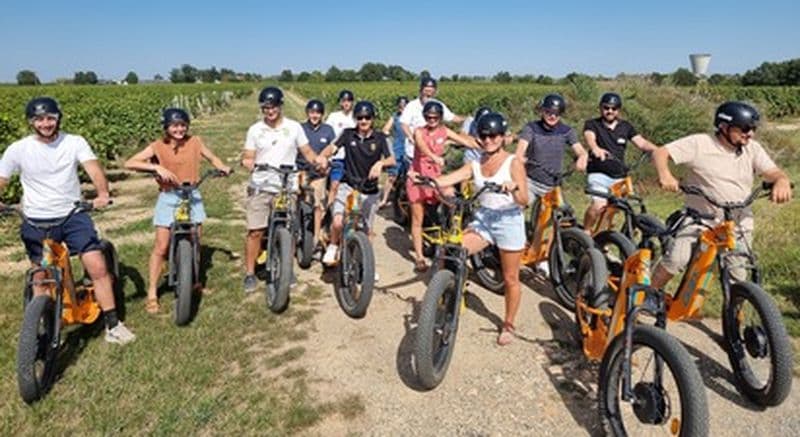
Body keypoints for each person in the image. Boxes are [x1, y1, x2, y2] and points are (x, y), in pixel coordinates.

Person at [0, 97, 135, 344]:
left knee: (96, 265)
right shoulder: (18, 149)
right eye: (39, 119)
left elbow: (94, 169)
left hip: (73, 215)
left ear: (58, 118)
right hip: (35, 219)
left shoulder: (74, 142)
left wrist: (103, 193)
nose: (45, 123)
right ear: (31, 122)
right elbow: (2, 178)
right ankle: (47, 325)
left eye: (50, 118)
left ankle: (113, 324)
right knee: (40, 276)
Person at [413, 112, 528, 345]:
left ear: (503, 137)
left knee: (510, 277)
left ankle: (508, 324)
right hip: (484, 220)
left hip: (509, 221)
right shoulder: (475, 163)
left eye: (494, 136)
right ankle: (449, 291)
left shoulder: (512, 162)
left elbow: (525, 199)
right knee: (452, 250)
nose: (488, 140)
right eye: (484, 136)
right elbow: (449, 179)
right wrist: (425, 179)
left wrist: (513, 187)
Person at [651, 101, 792, 289]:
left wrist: (781, 180)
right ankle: (647, 296)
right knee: (676, 260)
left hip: (738, 224)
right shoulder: (700, 143)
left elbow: (773, 172)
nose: (750, 133)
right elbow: (660, 152)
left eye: (752, 129)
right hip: (700, 220)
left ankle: (736, 316)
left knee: (739, 277)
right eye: (744, 129)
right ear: (724, 127)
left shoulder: (752, 148)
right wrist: (665, 175)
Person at [124, 108, 231, 314]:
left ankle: (194, 281)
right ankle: (152, 292)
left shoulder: (195, 142)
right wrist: (155, 168)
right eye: (174, 125)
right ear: (166, 127)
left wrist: (222, 166)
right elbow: (130, 162)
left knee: (195, 242)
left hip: (192, 195)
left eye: (182, 125)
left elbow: (213, 158)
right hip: (169, 197)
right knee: (161, 246)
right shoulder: (157, 146)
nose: (179, 129)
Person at [241, 87, 328, 293]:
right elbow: (248, 155)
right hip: (262, 184)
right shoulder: (255, 130)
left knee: (288, 228)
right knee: (255, 231)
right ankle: (250, 273)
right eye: (265, 108)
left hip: (286, 185)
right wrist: (248, 162)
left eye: (273, 107)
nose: (269, 111)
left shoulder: (294, 127)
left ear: (281, 106)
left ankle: (287, 270)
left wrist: (318, 161)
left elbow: (306, 151)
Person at [514, 93, 589, 275]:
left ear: (561, 113)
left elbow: (581, 151)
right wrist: (521, 159)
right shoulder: (531, 128)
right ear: (543, 111)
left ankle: (543, 256)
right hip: (531, 180)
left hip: (553, 184)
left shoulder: (566, 131)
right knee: (516, 207)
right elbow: (520, 150)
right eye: (548, 111)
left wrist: (582, 159)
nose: (552, 116)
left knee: (554, 221)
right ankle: (514, 245)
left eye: (556, 112)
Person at [319, 101, 395, 277]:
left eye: (367, 117)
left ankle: (367, 266)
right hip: (348, 185)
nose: (363, 121)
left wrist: (380, 163)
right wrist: (322, 157)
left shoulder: (380, 138)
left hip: (370, 190)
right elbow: (332, 148)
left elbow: (392, 160)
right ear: (355, 119)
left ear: (372, 119)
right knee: (338, 221)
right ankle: (333, 245)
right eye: (359, 117)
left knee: (367, 230)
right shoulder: (348, 134)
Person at [406, 101, 478, 272]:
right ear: (424, 117)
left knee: (454, 201)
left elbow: (466, 142)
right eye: (428, 117)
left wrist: (490, 144)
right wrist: (434, 156)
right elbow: (421, 146)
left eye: (435, 117)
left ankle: (451, 238)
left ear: (440, 118)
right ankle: (419, 257)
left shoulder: (445, 131)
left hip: (437, 180)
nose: (431, 119)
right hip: (418, 179)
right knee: (417, 219)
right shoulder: (419, 131)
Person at [582, 92, 658, 231]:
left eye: (614, 108)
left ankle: (601, 239)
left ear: (618, 110)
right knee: (599, 206)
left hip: (619, 177)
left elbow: (641, 143)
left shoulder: (625, 126)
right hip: (598, 174)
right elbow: (589, 138)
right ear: (600, 108)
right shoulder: (592, 124)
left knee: (612, 211)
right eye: (606, 107)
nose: (610, 111)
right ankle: (585, 232)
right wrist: (595, 148)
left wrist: (659, 152)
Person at [298, 99, 336, 246]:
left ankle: (316, 235)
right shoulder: (300, 128)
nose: (315, 115)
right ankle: (295, 231)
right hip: (300, 169)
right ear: (307, 113)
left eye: (318, 113)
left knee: (317, 203)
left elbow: (333, 150)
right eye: (312, 112)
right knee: (296, 199)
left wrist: (327, 165)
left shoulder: (328, 130)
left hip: (319, 173)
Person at [399, 76, 464, 162]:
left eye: (431, 92)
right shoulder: (412, 106)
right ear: (420, 90)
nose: (428, 94)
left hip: (433, 153)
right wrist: (411, 137)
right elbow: (404, 124)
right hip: (414, 152)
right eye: (426, 91)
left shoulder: (438, 105)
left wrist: (468, 119)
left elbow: (452, 117)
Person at [325, 90, 356, 207]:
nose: (346, 103)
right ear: (340, 102)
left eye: (349, 101)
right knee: (334, 185)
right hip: (337, 156)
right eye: (344, 101)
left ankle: (350, 211)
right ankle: (329, 209)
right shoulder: (334, 116)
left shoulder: (356, 117)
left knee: (352, 188)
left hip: (352, 158)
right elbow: (328, 134)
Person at [378, 95, 409, 208]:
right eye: (400, 106)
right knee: (392, 176)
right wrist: (387, 134)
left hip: (410, 149)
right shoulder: (395, 117)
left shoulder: (412, 117)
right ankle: (384, 199)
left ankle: (405, 199)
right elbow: (385, 129)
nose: (402, 108)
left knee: (408, 175)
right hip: (397, 148)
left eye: (404, 106)